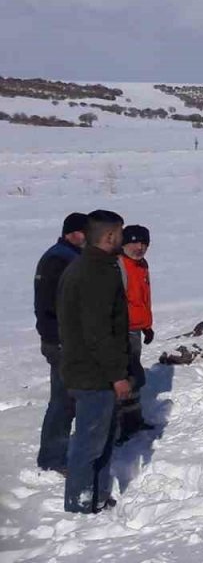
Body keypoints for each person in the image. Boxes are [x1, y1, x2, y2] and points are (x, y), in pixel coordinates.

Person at [57, 209, 131, 514]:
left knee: (100, 440)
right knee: (89, 443)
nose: (123, 239)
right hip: (93, 374)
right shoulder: (94, 273)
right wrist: (117, 376)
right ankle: (79, 505)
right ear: (110, 236)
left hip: (91, 370)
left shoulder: (94, 266)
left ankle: (98, 496)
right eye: (120, 233)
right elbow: (97, 332)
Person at [34, 212, 88, 473]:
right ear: (72, 233)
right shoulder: (59, 259)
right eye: (84, 232)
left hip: (65, 340)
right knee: (63, 400)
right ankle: (52, 458)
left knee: (69, 398)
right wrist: (57, 339)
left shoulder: (67, 256)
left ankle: (57, 454)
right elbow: (50, 305)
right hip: (61, 341)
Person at [118, 225, 156, 443]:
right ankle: (121, 425)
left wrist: (147, 325)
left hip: (135, 329)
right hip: (121, 331)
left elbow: (142, 299)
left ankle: (133, 420)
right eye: (134, 242)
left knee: (133, 376)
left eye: (144, 243)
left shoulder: (141, 265)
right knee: (122, 378)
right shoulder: (119, 265)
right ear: (124, 243)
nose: (139, 247)